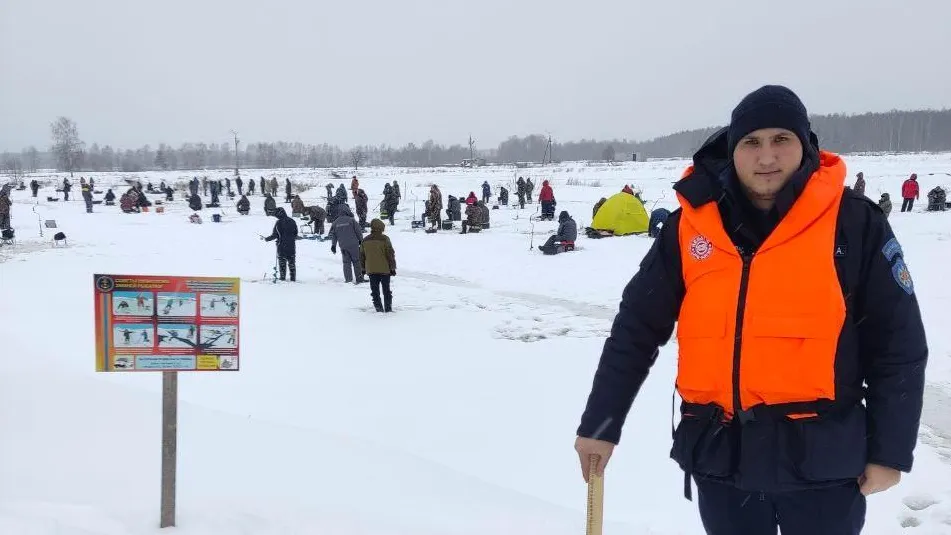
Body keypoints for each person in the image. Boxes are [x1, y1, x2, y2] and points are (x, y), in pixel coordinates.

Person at [574, 85, 928, 535]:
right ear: (732, 148)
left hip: (822, 463)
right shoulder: (689, 227)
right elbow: (635, 328)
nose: (766, 157)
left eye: (781, 139)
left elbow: (898, 343)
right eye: (751, 142)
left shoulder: (854, 222)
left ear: (805, 146)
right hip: (722, 459)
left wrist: (889, 452)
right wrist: (600, 424)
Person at [360, 218, 397, 312]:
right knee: (386, 290)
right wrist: (392, 268)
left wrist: (363, 269)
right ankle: (388, 309)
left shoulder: (365, 240)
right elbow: (390, 254)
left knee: (375, 291)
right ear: (381, 228)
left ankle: (378, 309)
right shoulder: (385, 239)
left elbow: (362, 256)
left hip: (371, 270)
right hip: (385, 269)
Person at [328, 204, 365, 284]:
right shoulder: (351, 220)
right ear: (347, 210)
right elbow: (358, 231)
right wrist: (361, 241)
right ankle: (359, 279)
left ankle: (348, 280)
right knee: (356, 261)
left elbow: (333, 235)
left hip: (343, 246)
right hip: (354, 245)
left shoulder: (335, 222)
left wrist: (333, 245)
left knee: (346, 263)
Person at [262, 207, 298, 282]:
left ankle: (282, 278)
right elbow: (295, 233)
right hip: (291, 245)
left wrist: (267, 239)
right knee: (292, 263)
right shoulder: (292, 221)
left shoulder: (279, 223)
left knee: (282, 263)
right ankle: (293, 278)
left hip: (281, 246)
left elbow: (275, 235)